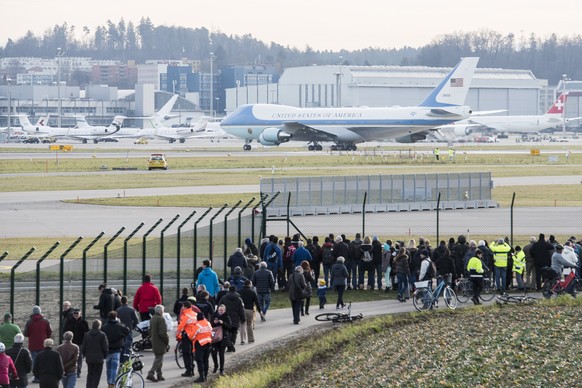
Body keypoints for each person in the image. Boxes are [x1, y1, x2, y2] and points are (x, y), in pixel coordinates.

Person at [23, 305, 51, 383]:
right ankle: (43, 377)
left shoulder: (29, 321)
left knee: (35, 362)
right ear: (40, 311)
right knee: (43, 361)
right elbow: (49, 331)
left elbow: (25, 333)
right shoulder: (45, 321)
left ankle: (36, 377)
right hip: (43, 344)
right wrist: (46, 336)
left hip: (33, 345)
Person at [101, 311, 129, 388]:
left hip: (107, 350)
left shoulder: (104, 327)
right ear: (116, 317)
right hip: (116, 349)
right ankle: (112, 382)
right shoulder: (119, 326)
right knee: (114, 367)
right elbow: (127, 330)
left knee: (108, 367)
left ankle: (109, 381)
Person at [81, 320, 108, 388]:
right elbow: (105, 347)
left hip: (89, 357)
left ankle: (88, 386)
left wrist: (85, 355)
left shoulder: (87, 334)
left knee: (90, 373)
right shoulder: (102, 335)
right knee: (97, 375)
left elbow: (84, 347)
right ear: (99, 326)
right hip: (99, 358)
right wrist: (104, 355)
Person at [146, 305, 169, 383]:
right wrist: (166, 341)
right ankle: (151, 373)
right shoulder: (161, 319)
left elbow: (150, 330)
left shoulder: (152, 318)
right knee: (158, 359)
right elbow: (163, 333)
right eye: (163, 310)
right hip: (160, 341)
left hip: (154, 340)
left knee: (159, 357)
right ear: (160, 311)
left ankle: (159, 374)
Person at [63, 308, 89, 378]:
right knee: (69, 356)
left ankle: (78, 371)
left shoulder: (84, 322)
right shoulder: (69, 321)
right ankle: (69, 370)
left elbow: (87, 333)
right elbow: (65, 330)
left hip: (80, 342)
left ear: (80, 314)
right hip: (71, 342)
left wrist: (85, 342)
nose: (76, 315)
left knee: (79, 357)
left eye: (77, 313)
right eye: (74, 313)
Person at [219, 286, 245, 352]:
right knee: (234, 332)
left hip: (226, 318)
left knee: (227, 332)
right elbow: (241, 310)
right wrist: (243, 318)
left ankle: (229, 345)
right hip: (235, 318)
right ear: (235, 290)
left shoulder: (224, 298)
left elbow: (219, 307)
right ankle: (232, 342)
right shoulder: (238, 299)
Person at [176, 301, 197, 378]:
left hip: (187, 336)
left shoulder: (185, 315)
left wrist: (177, 335)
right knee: (191, 353)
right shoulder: (195, 314)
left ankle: (189, 370)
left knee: (186, 353)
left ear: (184, 307)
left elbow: (180, 327)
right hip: (194, 336)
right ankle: (192, 369)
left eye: (182, 306)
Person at [115, 296, 139, 364]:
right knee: (128, 346)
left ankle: (121, 361)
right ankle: (126, 361)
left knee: (121, 346)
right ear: (127, 301)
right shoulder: (131, 310)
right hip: (129, 329)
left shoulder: (118, 310)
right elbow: (136, 320)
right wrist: (132, 327)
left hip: (120, 331)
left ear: (121, 302)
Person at [239, 280, 262, 345]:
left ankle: (242, 340)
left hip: (241, 310)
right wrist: (260, 311)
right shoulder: (252, 292)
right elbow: (257, 302)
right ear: (249, 284)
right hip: (249, 310)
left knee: (242, 324)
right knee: (249, 324)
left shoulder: (239, 292)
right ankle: (250, 339)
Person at [211, 304, 231, 376]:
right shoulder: (214, 315)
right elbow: (210, 325)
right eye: (220, 310)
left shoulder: (227, 317)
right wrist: (214, 323)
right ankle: (216, 366)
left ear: (224, 310)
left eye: (222, 310)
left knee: (221, 354)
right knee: (213, 353)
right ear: (217, 310)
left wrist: (223, 323)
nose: (221, 311)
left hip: (223, 338)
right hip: (215, 338)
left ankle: (221, 369)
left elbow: (229, 327)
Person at [192, 312, 213, 383]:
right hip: (208, 343)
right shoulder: (208, 323)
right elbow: (211, 332)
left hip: (200, 344)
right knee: (205, 360)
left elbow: (191, 336)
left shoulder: (197, 325)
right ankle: (206, 375)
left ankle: (201, 376)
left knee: (199, 360)